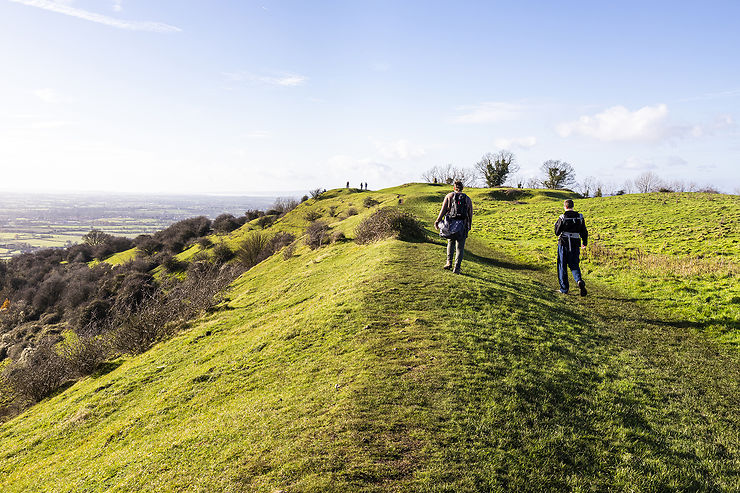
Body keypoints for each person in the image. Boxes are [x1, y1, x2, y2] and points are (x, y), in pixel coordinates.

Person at [434, 181, 473, 274]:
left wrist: (437, 220)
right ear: (462, 188)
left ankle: (448, 262)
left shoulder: (449, 196)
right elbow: (470, 213)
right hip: (462, 224)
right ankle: (457, 268)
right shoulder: (467, 199)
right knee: (460, 247)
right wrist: (469, 225)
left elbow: (443, 210)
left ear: (454, 188)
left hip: (450, 223)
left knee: (450, 242)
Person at [554, 199, 588, 296]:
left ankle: (564, 289)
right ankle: (579, 280)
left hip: (563, 243)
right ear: (573, 206)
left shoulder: (562, 217)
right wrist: (584, 243)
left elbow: (557, 232)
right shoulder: (580, 217)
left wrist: (556, 225)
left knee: (562, 265)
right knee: (574, 265)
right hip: (575, 243)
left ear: (565, 206)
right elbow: (584, 231)